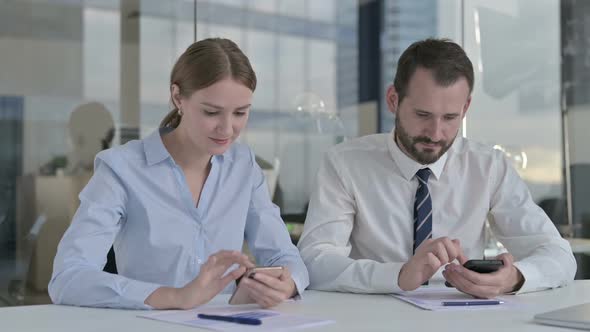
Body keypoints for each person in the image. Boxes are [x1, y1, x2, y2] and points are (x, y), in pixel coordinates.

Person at [297, 38, 576, 298]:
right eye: (423, 115)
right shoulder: (345, 163)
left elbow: (559, 256)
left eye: (450, 117)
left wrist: (515, 278)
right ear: (393, 100)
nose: (435, 133)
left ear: (465, 108)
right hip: (375, 318)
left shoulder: (488, 166)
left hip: (463, 317)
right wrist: (397, 275)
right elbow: (314, 260)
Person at [49, 38, 309, 309]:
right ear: (177, 98)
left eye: (240, 113)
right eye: (211, 112)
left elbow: (284, 256)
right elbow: (68, 278)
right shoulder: (121, 168)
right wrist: (177, 297)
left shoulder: (244, 166)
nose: (228, 129)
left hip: (227, 324)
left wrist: (286, 283)